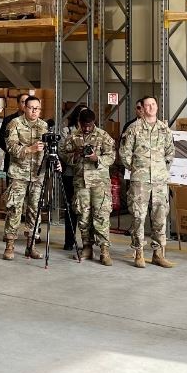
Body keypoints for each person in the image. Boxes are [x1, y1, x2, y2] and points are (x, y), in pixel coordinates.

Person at [120, 96, 177, 269]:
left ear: (157, 107)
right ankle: (138, 253)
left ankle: (158, 253)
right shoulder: (134, 129)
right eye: (147, 105)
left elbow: (170, 152)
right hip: (140, 181)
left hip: (160, 181)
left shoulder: (164, 129)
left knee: (160, 217)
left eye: (153, 104)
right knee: (139, 217)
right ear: (142, 109)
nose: (151, 108)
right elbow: (124, 153)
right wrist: (137, 169)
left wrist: (161, 170)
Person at [61, 108, 115, 265]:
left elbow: (112, 156)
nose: (86, 128)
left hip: (100, 183)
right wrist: (76, 154)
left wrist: (96, 158)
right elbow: (64, 155)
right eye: (84, 125)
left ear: (94, 122)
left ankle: (104, 250)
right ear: (79, 123)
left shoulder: (103, 136)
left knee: (101, 216)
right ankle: (87, 247)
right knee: (83, 216)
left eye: (89, 125)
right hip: (81, 183)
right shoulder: (72, 137)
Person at [3, 96, 48, 260]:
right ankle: (10, 246)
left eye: (37, 108)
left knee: (34, 211)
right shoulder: (15, 123)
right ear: (25, 108)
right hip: (19, 174)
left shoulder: (44, 126)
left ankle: (31, 246)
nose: (34, 111)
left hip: (37, 175)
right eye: (31, 107)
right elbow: (10, 147)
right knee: (14, 209)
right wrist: (30, 149)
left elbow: (47, 148)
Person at [57, 103, 88, 251]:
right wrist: (75, 156)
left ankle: (87, 243)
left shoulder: (92, 132)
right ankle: (69, 240)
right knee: (70, 208)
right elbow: (62, 152)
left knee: (85, 209)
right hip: (70, 174)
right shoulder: (67, 131)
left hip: (86, 175)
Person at [0, 92, 32, 165]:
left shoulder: (35, 121)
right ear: (18, 104)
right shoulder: (8, 120)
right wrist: (13, 152)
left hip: (29, 162)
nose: (26, 104)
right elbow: (2, 140)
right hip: (12, 161)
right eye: (23, 102)